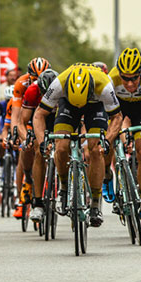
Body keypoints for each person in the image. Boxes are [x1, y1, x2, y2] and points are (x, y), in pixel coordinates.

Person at [34, 63, 123, 227]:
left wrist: (107, 140)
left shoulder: (104, 85)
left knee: (96, 150)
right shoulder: (59, 84)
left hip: (95, 106)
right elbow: (39, 114)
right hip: (67, 106)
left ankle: (95, 204)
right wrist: (41, 142)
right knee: (61, 147)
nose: (79, 107)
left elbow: (117, 118)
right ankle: (63, 188)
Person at [105, 48, 141, 227]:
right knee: (109, 139)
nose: (129, 83)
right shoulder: (111, 80)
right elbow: (111, 116)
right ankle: (108, 175)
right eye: (125, 78)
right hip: (119, 108)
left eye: (134, 78)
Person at [11, 57, 51, 218]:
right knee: (27, 147)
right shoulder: (22, 84)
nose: (39, 81)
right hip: (28, 112)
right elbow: (16, 115)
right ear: (29, 76)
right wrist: (20, 136)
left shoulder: (53, 82)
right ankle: (27, 180)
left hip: (47, 115)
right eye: (35, 78)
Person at [24, 69, 58, 222]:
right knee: (39, 150)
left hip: (59, 117)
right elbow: (22, 121)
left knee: (66, 146)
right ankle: (37, 202)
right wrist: (28, 138)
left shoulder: (63, 89)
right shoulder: (32, 91)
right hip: (39, 118)